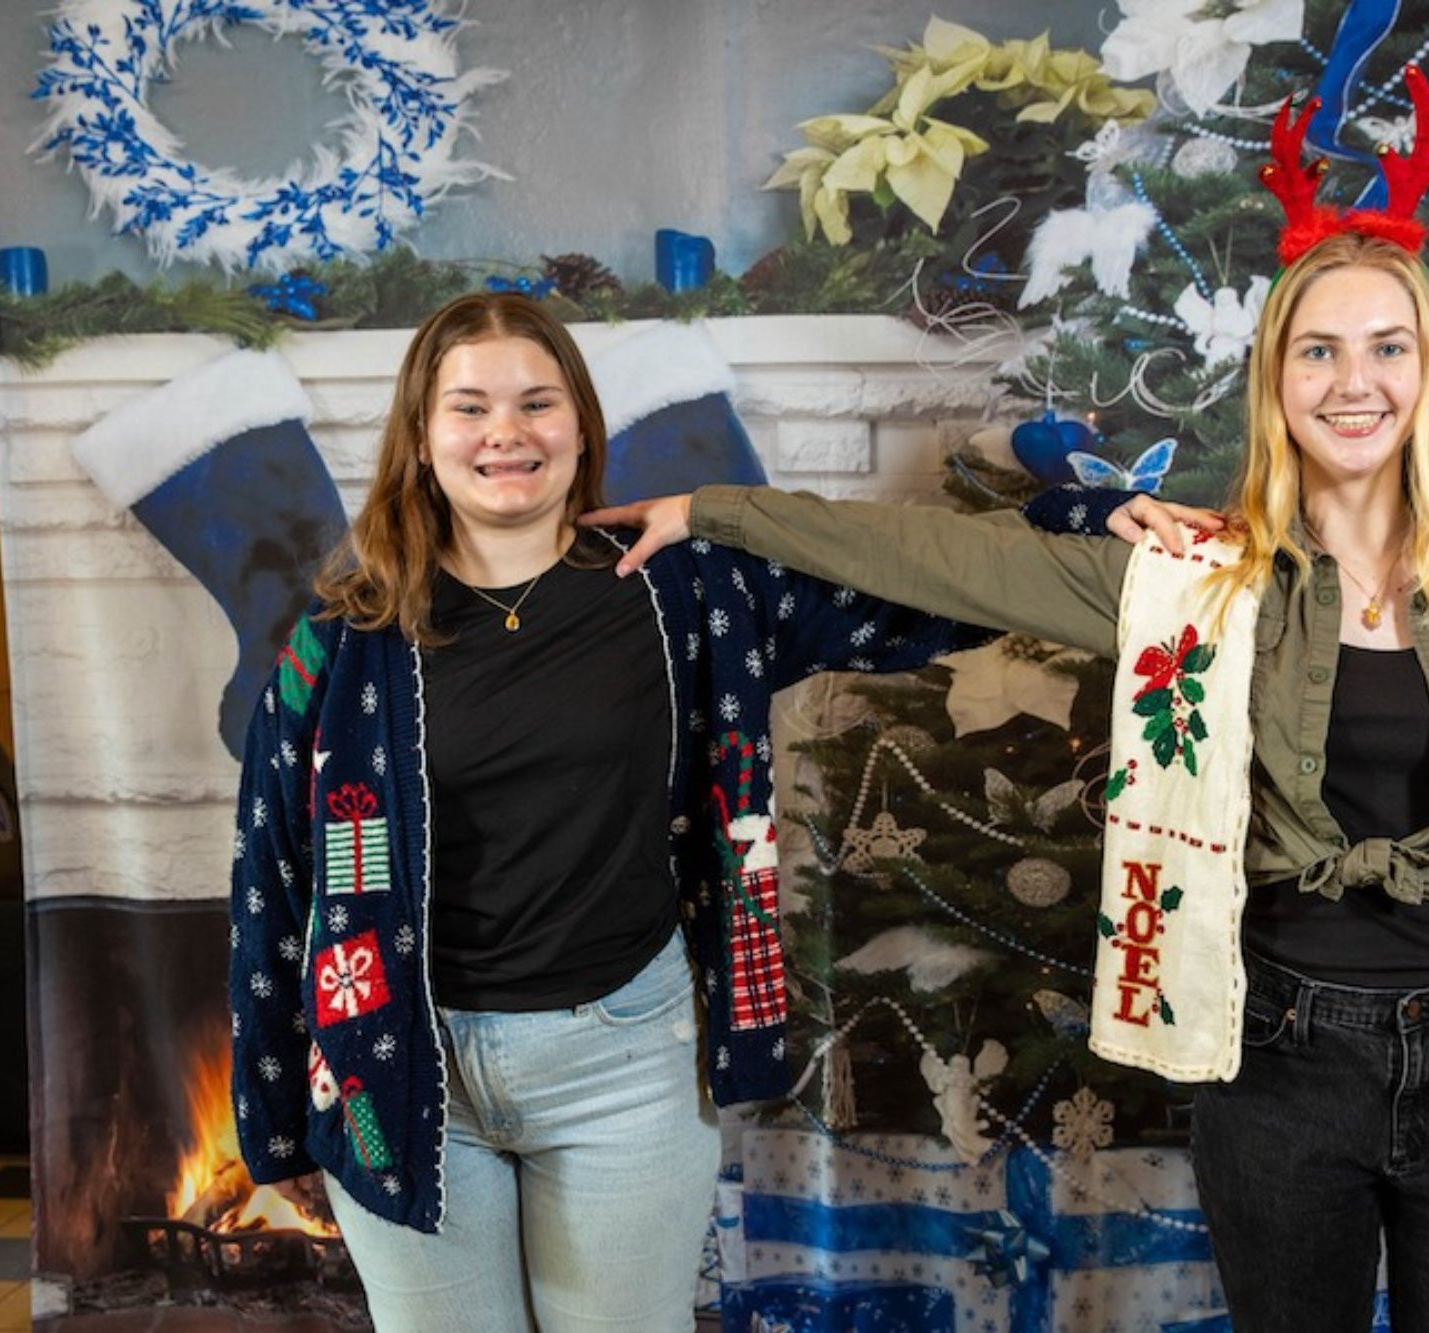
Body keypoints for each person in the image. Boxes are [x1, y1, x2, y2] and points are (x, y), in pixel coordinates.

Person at [590, 222, 1429, 1330]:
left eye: (1385, 347)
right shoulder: (1192, 581)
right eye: (1316, 351)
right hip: (1279, 1057)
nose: (1351, 382)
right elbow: (943, 558)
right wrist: (714, 509)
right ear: (1275, 379)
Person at [226, 292, 994, 1332]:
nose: (505, 431)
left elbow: (899, 601)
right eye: (469, 407)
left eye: (537, 402)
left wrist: (1070, 527)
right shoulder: (342, 640)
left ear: (580, 426)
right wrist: (274, 1123)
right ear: (419, 437)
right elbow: (272, 875)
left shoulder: (679, 590)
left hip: (622, 1064)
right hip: (399, 1068)